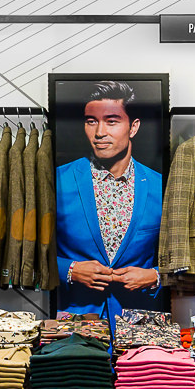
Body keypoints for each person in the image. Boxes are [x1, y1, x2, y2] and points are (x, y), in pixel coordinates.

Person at [54, 80, 165, 320]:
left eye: (111, 121)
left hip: (139, 325)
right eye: (91, 121)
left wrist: (155, 276)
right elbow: (30, 256)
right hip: (74, 324)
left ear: (133, 127)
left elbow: (182, 260)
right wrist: (70, 270)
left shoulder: (160, 186)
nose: (99, 132)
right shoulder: (57, 180)